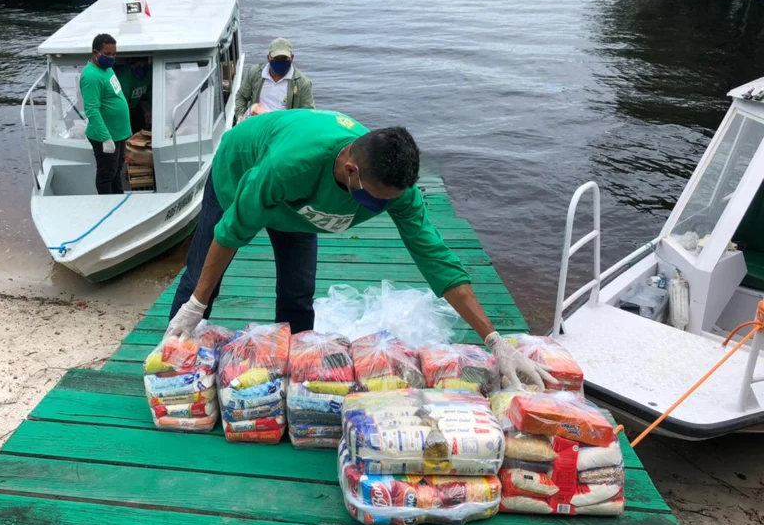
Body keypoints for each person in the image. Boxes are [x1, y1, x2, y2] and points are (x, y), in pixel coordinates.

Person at [166, 109, 556, 390]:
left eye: (391, 200)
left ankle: (294, 384)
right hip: (240, 173)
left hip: (303, 212)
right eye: (377, 200)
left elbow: (437, 260)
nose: (385, 208)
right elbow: (230, 233)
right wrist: (197, 304)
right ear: (351, 170)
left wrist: (494, 340)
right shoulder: (289, 167)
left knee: (298, 296)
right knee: (202, 281)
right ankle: (171, 363)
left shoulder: (395, 189)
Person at [80, 33, 132, 194]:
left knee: (117, 171)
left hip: (118, 134)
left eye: (114, 54)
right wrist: (105, 138)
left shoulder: (107, 68)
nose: (111, 58)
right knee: (106, 174)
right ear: (96, 53)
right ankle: (106, 205)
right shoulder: (91, 77)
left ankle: (118, 199)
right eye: (108, 54)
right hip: (106, 136)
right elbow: (92, 110)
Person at [233, 38, 315, 123]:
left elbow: (308, 113)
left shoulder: (303, 83)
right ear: (268, 57)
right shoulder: (255, 73)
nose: (280, 61)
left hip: (283, 126)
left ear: (292, 58)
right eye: (276, 58)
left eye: (284, 58)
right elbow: (241, 96)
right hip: (257, 123)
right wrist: (240, 115)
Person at [115, 57, 153, 134]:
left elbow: (151, 94)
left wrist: (153, 111)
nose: (142, 67)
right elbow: (122, 104)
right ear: (132, 66)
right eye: (139, 66)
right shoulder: (125, 77)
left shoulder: (150, 72)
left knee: (139, 126)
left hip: (135, 104)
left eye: (145, 65)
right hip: (121, 106)